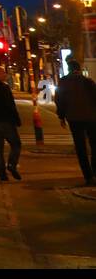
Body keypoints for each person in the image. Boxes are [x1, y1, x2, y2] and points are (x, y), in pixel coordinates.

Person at [55, 56, 96, 185]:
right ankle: (95, 171)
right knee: (94, 145)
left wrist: (61, 116)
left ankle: (88, 176)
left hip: (74, 119)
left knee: (80, 147)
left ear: (69, 69)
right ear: (79, 69)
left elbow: (59, 101)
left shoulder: (63, 82)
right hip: (91, 118)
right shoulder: (88, 82)